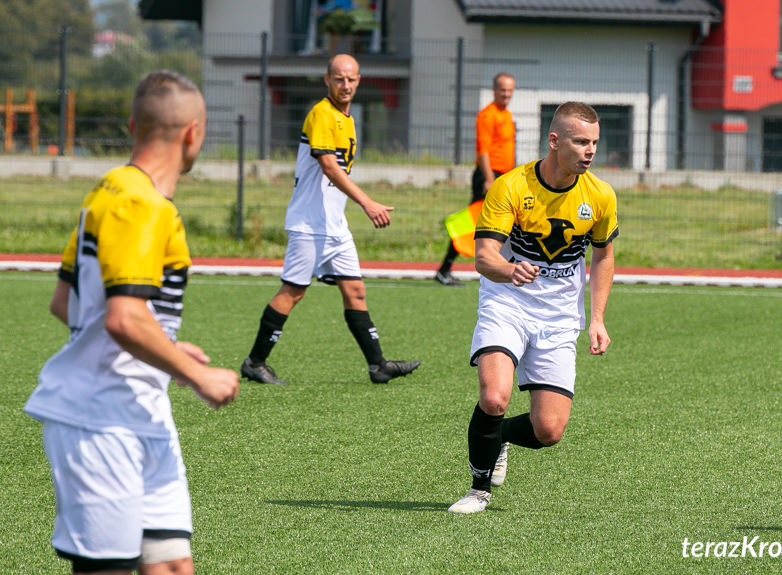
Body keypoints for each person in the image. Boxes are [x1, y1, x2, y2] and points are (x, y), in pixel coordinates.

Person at [24, 70, 239, 573]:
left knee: (170, 565)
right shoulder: (140, 202)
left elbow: (68, 304)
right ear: (194, 132)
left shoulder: (112, 192)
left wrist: (163, 345)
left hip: (142, 410)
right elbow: (122, 318)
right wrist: (198, 374)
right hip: (100, 420)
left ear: (131, 124)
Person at [448, 102, 618, 513]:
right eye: (580, 141)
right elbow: (483, 256)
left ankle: (499, 436)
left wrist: (596, 318)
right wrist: (509, 270)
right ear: (554, 141)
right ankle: (478, 489)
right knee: (494, 397)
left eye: (594, 142)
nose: (589, 150)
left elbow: (603, 257)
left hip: (560, 316)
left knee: (549, 430)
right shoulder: (511, 186)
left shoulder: (599, 195)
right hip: (507, 301)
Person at [241, 54, 420, 385]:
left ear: (359, 80)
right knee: (292, 292)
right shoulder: (322, 114)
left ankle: (377, 366)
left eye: (351, 79)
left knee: (355, 291)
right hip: (309, 224)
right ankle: (254, 362)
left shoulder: (346, 118)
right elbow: (329, 167)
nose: (346, 85)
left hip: (334, 225)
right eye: (339, 79)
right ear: (327, 80)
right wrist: (367, 202)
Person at [435, 72, 516, 286]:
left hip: (503, 176)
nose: (506, 94)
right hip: (489, 175)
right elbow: (483, 151)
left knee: (504, 223)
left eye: (509, 90)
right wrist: (489, 179)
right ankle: (445, 269)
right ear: (494, 90)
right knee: (474, 223)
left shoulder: (506, 115)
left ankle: (501, 265)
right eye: (503, 90)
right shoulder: (487, 115)